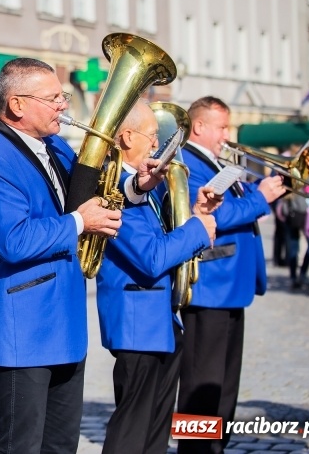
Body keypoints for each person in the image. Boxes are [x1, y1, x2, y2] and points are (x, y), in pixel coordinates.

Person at [0, 57, 167, 454]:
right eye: (54, 98)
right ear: (17, 105)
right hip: (22, 329)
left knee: (60, 445)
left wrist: (136, 188)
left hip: (64, 324)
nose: (63, 106)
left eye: (63, 96)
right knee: (20, 445)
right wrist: (77, 222)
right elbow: (13, 241)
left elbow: (87, 199)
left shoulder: (53, 144)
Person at [96, 101, 220, 454]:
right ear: (127, 136)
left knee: (154, 434)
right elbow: (151, 258)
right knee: (131, 433)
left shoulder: (142, 188)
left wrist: (195, 215)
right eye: (152, 136)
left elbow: (163, 241)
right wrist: (197, 230)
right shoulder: (112, 190)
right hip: (137, 326)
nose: (156, 143)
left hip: (160, 323)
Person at [176, 96, 285, 454]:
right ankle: (196, 450)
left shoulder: (215, 162)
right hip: (209, 286)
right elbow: (212, 217)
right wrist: (260, 199)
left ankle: (214, 448)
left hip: (230, 286)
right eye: (222, 127)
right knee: (201, 384)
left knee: (223, 386)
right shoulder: (188, 164)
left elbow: (238, 202)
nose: (228, 134)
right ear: (199, 127)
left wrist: (273, 188)